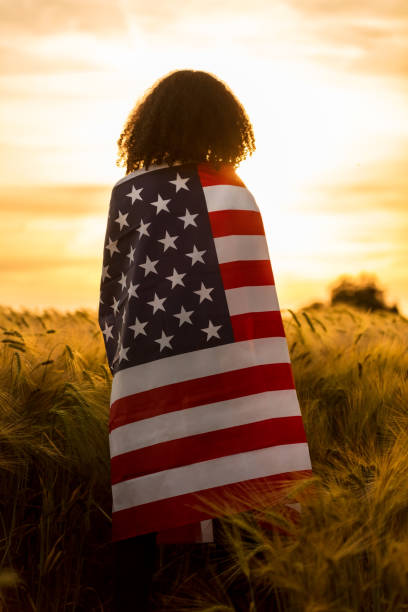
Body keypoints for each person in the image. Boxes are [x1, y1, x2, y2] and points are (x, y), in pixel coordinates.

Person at [98, 69, 313, 611]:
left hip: (147, 381)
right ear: (225, 126)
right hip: (234, 383)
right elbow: (255, 303)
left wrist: (124, 364)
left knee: (143, 501)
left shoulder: (129, 194)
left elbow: (114, 296)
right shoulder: (235, 192)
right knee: (236, 488)